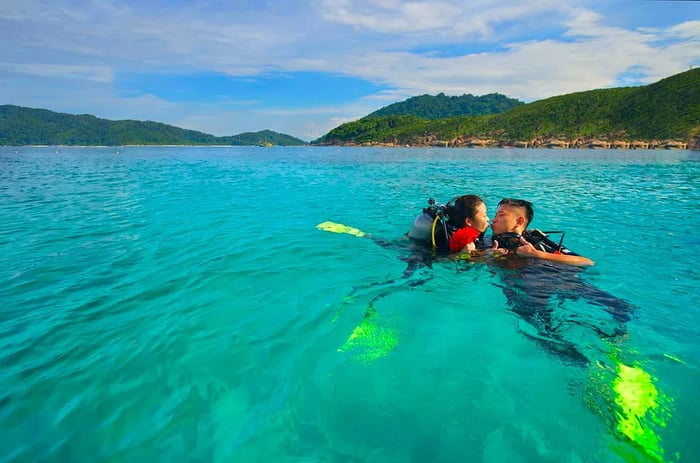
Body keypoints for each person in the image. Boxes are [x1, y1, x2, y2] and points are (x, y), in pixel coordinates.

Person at [489, 198, 594, 266]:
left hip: (555, 280)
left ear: (519, 221)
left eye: (501, 215)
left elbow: (586, 261)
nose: (494, 220)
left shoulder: (535, 242)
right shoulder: (490, 243)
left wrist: (535, 254)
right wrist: (486, 255)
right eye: (495, 215)